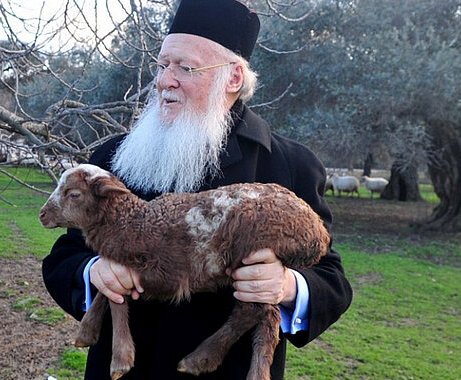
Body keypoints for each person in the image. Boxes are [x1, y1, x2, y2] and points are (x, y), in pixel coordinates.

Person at [42, 0, 353, 379]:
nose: (164, 80)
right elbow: (63, 258)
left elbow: (332, 281)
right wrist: (94, 271)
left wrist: (287, 285)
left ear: (234, 78)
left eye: (185, 68)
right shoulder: (111, 159)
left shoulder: (289, 165)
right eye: (162, 65)